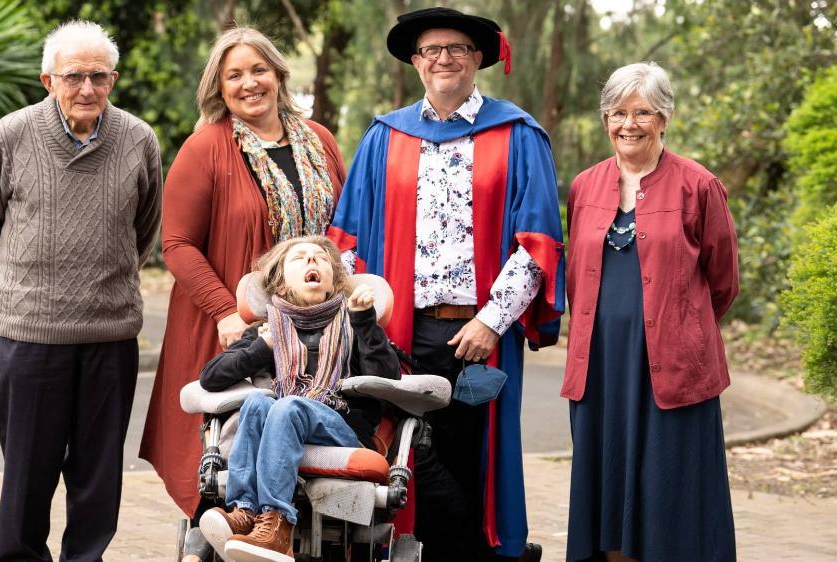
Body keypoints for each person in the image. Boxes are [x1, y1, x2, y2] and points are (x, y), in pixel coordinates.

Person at [328, 7, 565, 562]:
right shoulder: (385, 137)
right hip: (399, 332)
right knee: (405, 453)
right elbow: (347, 240)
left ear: (478, 58)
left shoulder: (517, 134)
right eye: (432, 50)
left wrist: (491, 320)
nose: (444, 59)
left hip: (478, 333)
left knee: (474, 454)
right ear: (415, 61)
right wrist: (366, 308)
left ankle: (471, 549)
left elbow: (536, 242)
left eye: (457, 48)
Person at [138, 25, 346, 538]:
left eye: (259, 70)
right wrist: (224, 312)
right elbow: (178, 244)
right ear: (219, 86)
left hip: (320, 328)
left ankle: (291, 532)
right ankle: (233, 534)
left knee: (312, 444)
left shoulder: (319, 141)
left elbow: (345, 230)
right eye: (235, 75)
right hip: (241, 328)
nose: (249, 83)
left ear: (279, 75)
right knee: (229, 450)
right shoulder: (206, 147)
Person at [0, 20, 162, 561]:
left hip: (110, 332)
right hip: (31, 334)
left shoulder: (139, 139)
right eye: (74, 76)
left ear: (114, 79)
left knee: (98, 475)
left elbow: (143, 232)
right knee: (27, 469)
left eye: (99, 76)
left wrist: (105, 276)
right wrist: (18, 290)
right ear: (47, 80)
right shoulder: (12, 134)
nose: (87, 88)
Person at [563, 62, 739, 562]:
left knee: (670, 485)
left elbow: (723, 281)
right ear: (605, 121)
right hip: (601, 366)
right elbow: (579, 276)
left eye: (642, 112)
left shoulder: (698, 186)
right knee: (608, 476)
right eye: (617, 113)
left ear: (664, 118)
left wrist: (683, 330)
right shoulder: (584, 187)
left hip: (675, 366)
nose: (629, 124)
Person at [195, 235, 401, 562]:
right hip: (285, 421)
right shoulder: (268, 330)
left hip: (344, 431)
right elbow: (210, 376)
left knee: (286, 405)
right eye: (299, 258)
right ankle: (245, 510)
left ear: (334, 278)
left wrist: (365, 321)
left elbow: (388, 381)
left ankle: (277, 526)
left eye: (319, 258)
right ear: (281, 281)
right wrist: (260, 350)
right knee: (259, 403)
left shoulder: (355, 321)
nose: (311, 262)